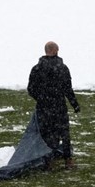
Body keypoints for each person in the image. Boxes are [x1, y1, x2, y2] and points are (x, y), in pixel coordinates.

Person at [27, 41, 81, 170]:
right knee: (64, 133)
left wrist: (41, 99)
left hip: (44, 107)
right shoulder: (63, 68)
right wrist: (75, 105)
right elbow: (68, 89)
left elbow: (30, 89)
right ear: (57, 50)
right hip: (59, 106)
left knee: (46, 134)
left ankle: (48, 162)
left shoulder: (37, 68)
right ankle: (68, 160)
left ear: (45, 51)